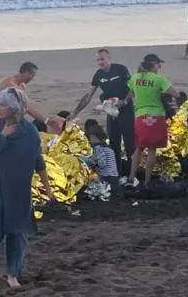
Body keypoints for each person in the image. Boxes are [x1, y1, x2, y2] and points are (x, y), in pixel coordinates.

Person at [0, 88, 55, 289]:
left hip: (18, 190)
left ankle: (13, 274)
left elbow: (38, 161)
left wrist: (48, 190)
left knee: (17, 234)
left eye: (2, 105)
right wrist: (3, 136)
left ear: (13, 108)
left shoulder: (30, 133)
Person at [71, 49, 134, 171]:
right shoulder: (99, 75)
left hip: (126, 109)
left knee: (129, 144)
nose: (100, 62)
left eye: (103, 59)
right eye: (98, 60)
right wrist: (75, 112)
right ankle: (116, 173)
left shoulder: (121, 69)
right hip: (111, 111)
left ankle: (132, 174)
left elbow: (133, 88)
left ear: (109, 58)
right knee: (114, 143)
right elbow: (89, 96)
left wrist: (124, 101)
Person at [125, 54, 179, 188]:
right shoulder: (159, 79)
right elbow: (176, 94)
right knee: (152, 150)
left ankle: (131, 177)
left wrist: (124, 101)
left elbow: (130, 94)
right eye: (158, 65)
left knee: (138, 148)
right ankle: (147, 181)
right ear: (153, 65)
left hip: (140, 116)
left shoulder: (135, 78)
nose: (159, 68)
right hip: (156, 116)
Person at [86, 124, 119, 192]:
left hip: (107, 177)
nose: (90, 141)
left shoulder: (99, 148)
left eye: (90, 138)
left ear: (94, 137)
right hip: (114, 178)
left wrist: (91, 162)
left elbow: (102, 164)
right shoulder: (107, 147)